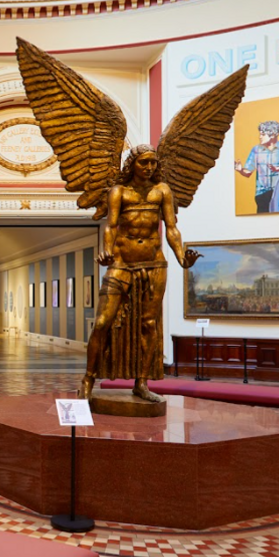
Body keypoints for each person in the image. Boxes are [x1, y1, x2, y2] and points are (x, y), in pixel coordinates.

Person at [81, 145, 199, 401]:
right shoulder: (119, 192)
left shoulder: (162, 191)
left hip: (154, 264)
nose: (149, 168)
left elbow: (171, 228)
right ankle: (88, 379)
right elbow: (111, 226)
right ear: (132, 164)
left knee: (149, 324)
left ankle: (141, 383)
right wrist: (107, 252)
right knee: (102, 323)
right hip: (121, 264)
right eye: (144, 163)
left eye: (153, 163)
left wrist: (181, 257)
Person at [234, 120, 279, 214]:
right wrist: (240, 170)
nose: (260, 137)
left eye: (263, 134)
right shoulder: (256, 150)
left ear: (273, 135)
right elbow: (248, 173)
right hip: (262, 195)